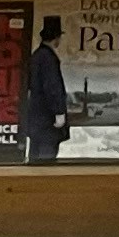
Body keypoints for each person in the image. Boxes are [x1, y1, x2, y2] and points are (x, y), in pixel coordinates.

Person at [22, 12, 71, 165]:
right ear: (56, 37)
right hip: (47, 117)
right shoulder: (48, 58)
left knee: (35, 155)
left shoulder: (37, 55)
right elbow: (52, 87)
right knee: (47, 157)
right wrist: (59, 112)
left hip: (36, 115)